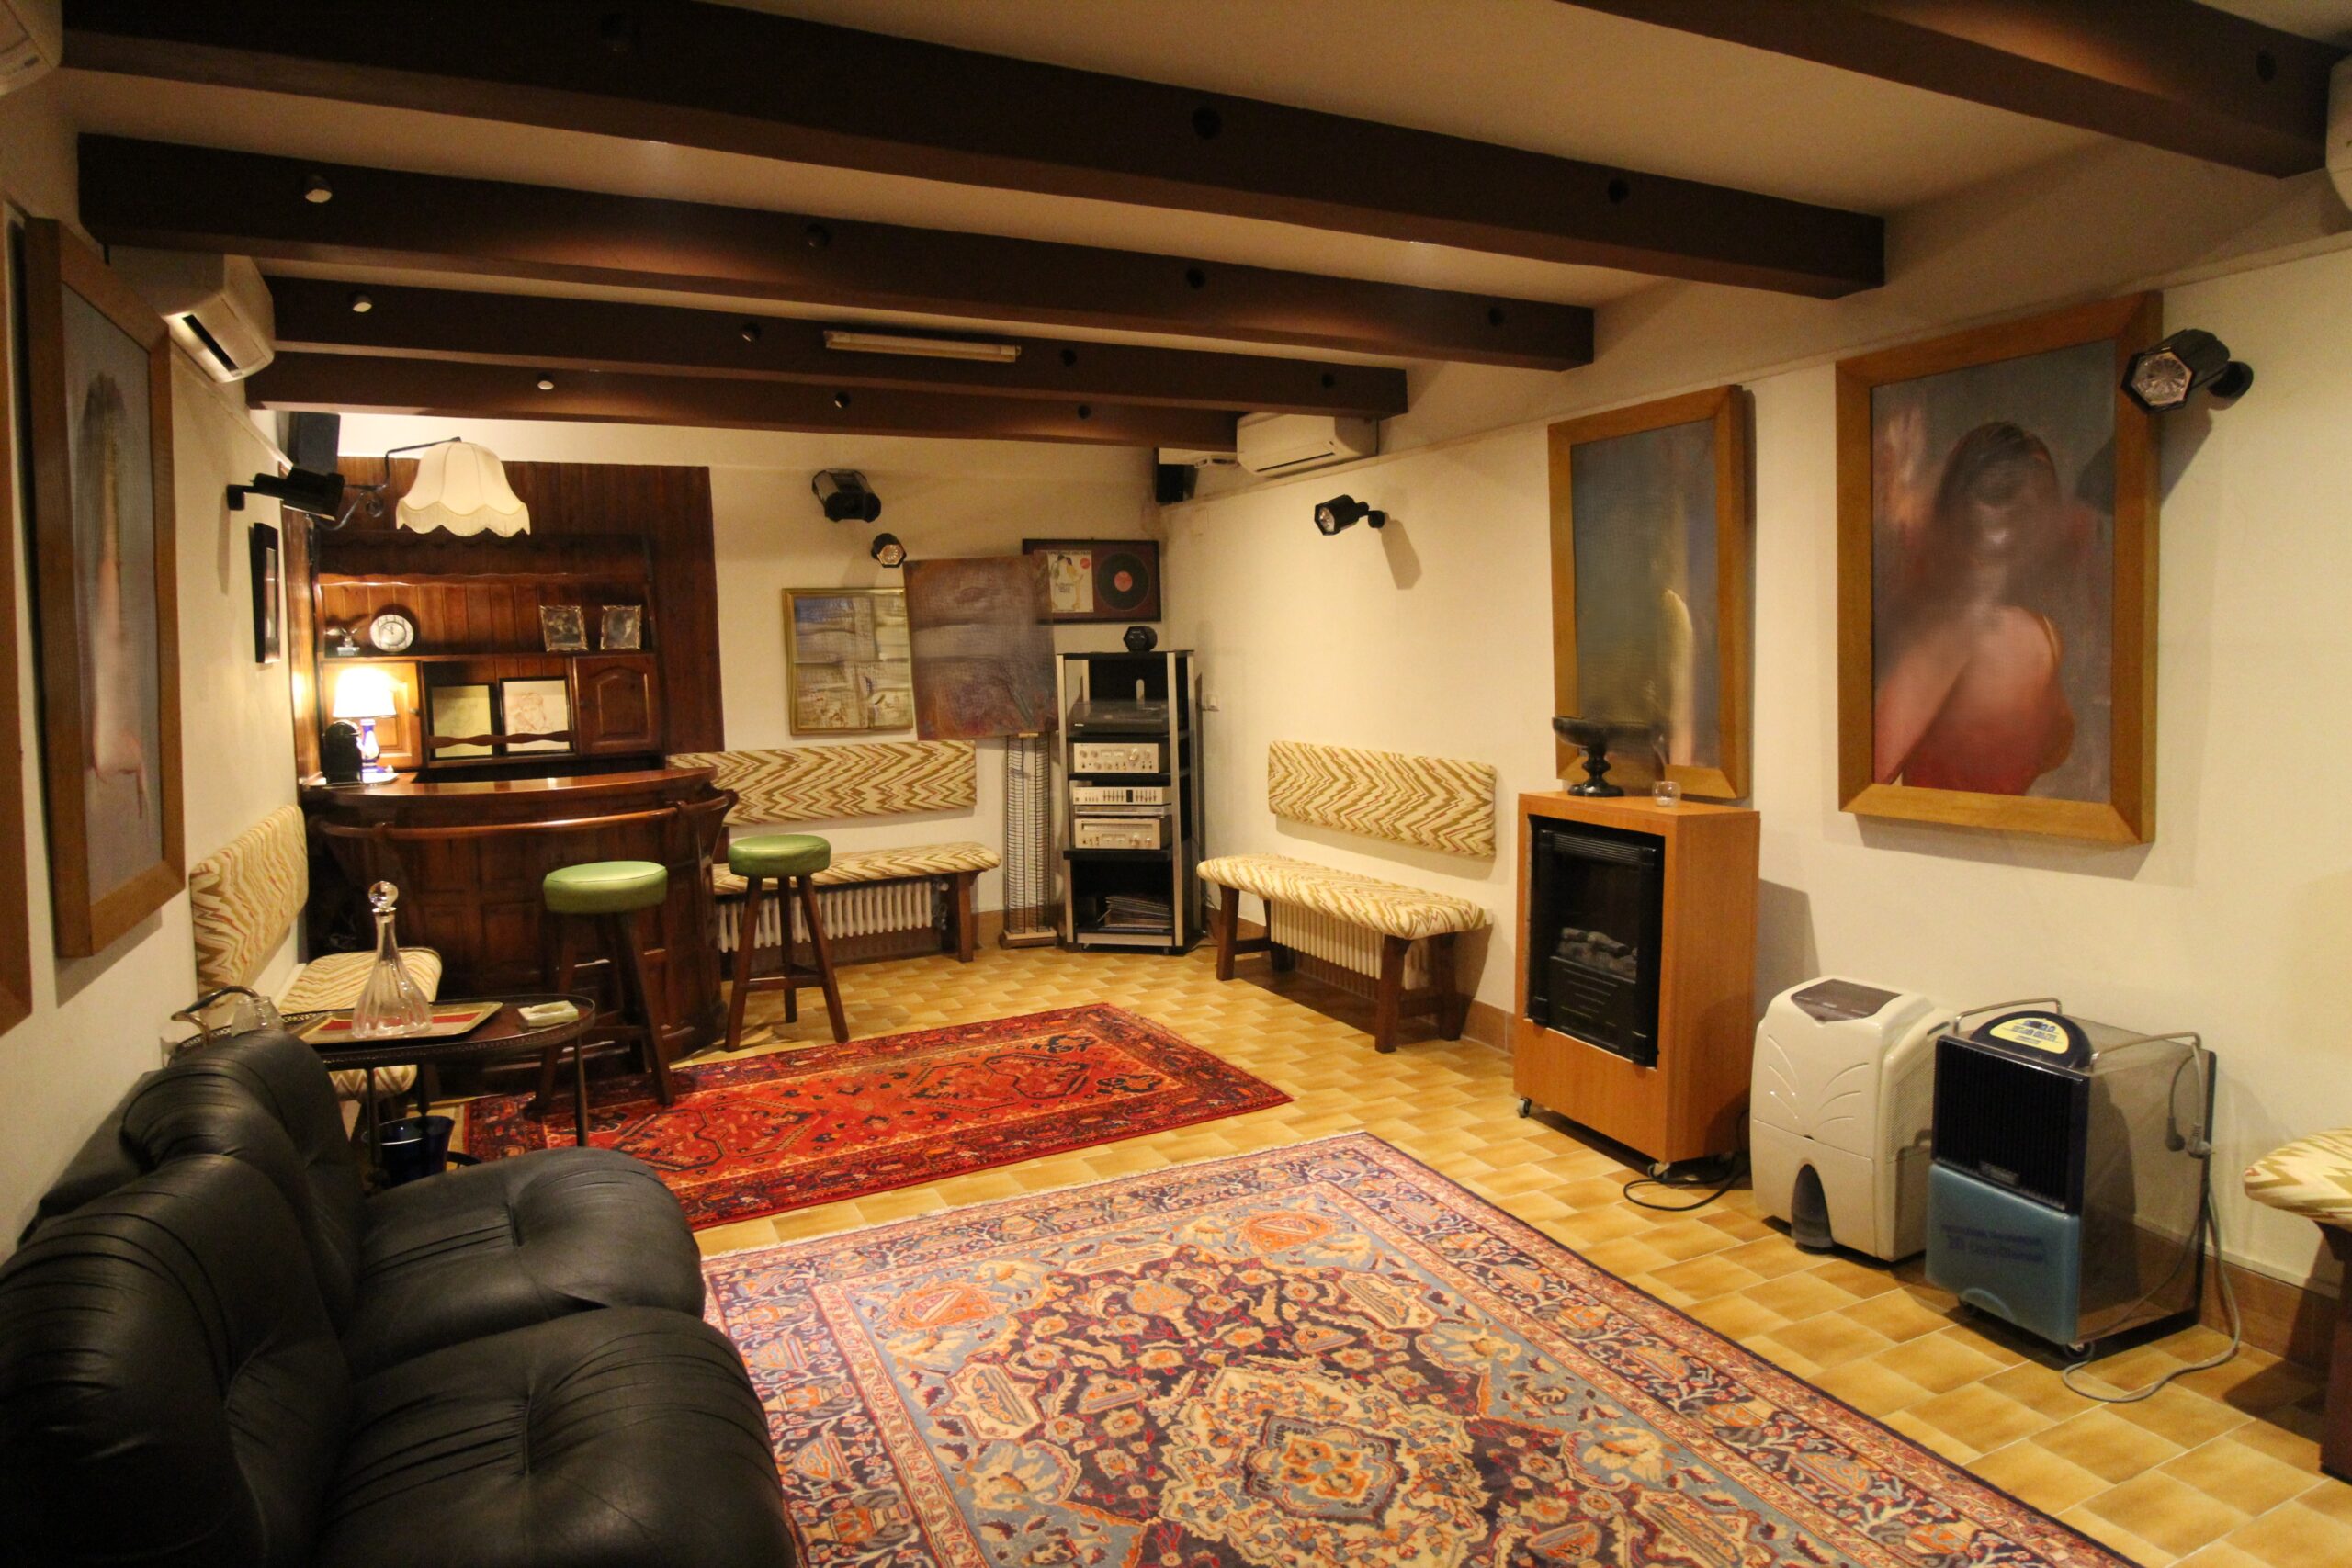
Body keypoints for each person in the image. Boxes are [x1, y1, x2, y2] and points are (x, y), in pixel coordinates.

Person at [1871, 420, 2083, 795]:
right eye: (2000, 497)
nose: (2019, 527)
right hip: (1935, 829)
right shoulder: (1953, 633)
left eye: (2034, 506)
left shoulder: (2045, 634)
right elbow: (1870, 782)